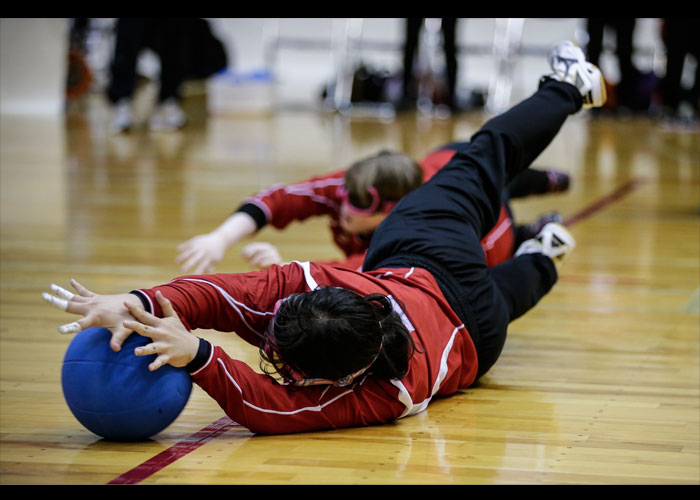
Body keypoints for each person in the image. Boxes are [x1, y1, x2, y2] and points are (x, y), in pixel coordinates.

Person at [43, 41, 606, 435]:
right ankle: (567, 87)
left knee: (503, 299)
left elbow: (270, 408)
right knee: (481, 157)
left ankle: (542, 255)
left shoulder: (377, 391)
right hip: (427, 268)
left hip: (477, 342)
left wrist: (192, 346)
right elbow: (226, 321)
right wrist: (155, 317)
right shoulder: (338, 318)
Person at [176, 148, 570, 274]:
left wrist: (284, 270)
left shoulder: (414, 231)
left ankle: (528, 225)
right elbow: (278, 199)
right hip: (444, 159)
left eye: (359, 204)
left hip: (483, 222)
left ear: (391, 208)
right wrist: (220, 237)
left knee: (505, 187)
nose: (344, 206)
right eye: (346, 193)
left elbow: (351, 273)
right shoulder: (353, 187)